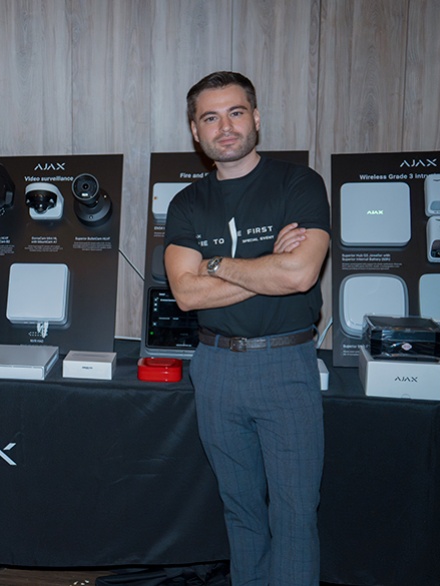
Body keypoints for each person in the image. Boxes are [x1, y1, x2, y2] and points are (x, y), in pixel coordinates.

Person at [163, 71, 330, 586]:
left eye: (236, 112)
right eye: (210, 118)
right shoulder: (187, 203)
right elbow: (187, 294)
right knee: (241, 511)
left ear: (255, 118)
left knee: (295, 514)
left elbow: (299, 275)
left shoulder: (299, 183)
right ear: (196, 132)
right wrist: (265, 265)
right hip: (215, 369)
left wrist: (214, 264)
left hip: (286, 366)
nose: (226, 127)